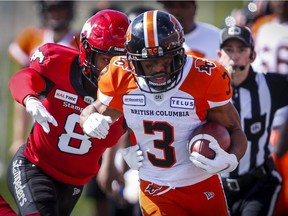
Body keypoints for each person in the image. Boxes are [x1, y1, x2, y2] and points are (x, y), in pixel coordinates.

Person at [80, 10, 247, 216]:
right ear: (132, 60)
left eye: (166, 60)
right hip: (156, 187)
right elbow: (93, 111)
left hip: (203, 183)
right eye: (149, 64)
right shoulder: (120, 76)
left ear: (179, 52)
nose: (159, 69)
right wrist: (90, 120)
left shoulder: (204, 78)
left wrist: (231, 159)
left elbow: (235, 130)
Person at [7, 9, 130, 216]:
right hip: (35, 166)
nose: (112, 69)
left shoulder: (131, 90)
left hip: (73, 183)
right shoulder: (57, 62)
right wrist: (30, 99)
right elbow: (22, 78)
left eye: (120, 61)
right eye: (105, 60)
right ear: (87, 54)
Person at [217, 25, 288, 215]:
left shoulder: (269, 85)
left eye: (241, 49)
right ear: (219, 54)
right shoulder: (206, 89)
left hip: (257, 184)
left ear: (252, 56)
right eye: (229, 50)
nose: (235, 56)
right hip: (216, 188)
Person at [8, 0, 80, 156]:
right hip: (39, 110)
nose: (56, 14)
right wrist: (19, 137)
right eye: (52, 9)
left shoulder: (80, 41)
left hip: (69, 112)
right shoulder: (31, 37)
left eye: (61, 9)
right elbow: (23, 90)